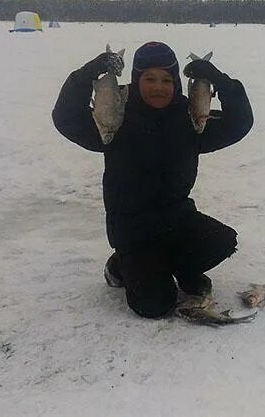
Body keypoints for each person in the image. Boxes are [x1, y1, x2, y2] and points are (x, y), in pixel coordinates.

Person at [52, 42, 253, 318]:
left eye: (166, 80)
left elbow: (239, 123)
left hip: (176, 218)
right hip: (133, 229)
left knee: (222, 242)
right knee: (155, 305)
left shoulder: (191, 118)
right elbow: (66, 118)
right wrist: (88, 74)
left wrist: (219, 81)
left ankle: (178, 267)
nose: (158, 87)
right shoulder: (113, 119)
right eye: (149, 79)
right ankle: (120, 265)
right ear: (136, 80)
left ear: (177, 83)